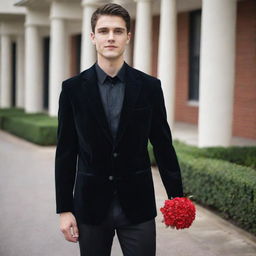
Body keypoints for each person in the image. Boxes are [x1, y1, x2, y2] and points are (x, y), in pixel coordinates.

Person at [55, 3, 184, 256]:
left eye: (118, 31)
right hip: (90, 206)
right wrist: (65, 209)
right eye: (103, 31)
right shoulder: (72, 89)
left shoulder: (149, 87)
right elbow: (66, 152)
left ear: (128, 37)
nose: (111, 37)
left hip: (138, 206)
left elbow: (163, 144)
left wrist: (176, 197)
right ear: (93, 37)